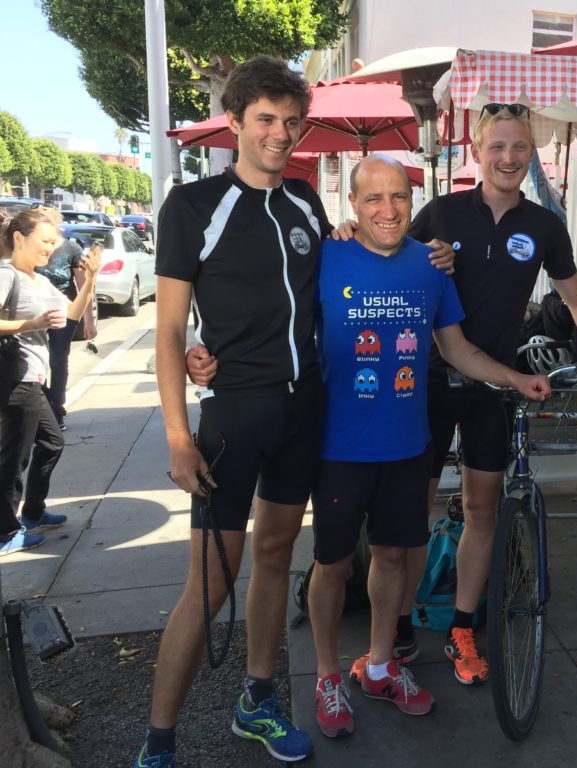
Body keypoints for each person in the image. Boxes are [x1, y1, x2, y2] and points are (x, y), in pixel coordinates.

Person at [342, 102, 577, 688]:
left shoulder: (545, 226)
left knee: (481, 510)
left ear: (532, 153)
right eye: (496, 147)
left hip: (493, 384)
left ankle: (463, 626)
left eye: (519, 147)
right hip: (423, 383)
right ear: (476, 152)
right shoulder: (443, 211)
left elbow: (574, 298)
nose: (508, 158)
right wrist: (350, 232)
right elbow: (385, 253)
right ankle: (398, 624)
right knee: (409, 513)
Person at [307, 154, 550, 738]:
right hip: (338, 446)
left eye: (397, 198)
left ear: (411, 203)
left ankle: (382, 664)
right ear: (352, 207)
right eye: (372, 200)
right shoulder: (325, 256)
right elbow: (279, 322)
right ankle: (325, 677)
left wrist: (515, 378)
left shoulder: (431, 266)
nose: (387, 210)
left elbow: (458, 348)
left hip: (407, 446)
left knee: (394, 557)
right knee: (332, 565)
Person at [134, 57, 331, 767]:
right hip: (233, 418)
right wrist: (179, 435)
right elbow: (167, 330)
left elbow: (339, 277)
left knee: (277, 553)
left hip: (304, 411)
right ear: (236, 123)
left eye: (290, 122)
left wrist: (425, 255)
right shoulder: (192, 207)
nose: (281, 134)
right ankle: (159, 738)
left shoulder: (307, 201)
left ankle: (258, 697)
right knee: (211, 583)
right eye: (266, 121)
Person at [0, 209, 100, 556]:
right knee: (15, 458)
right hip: (15, 380)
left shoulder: (38, 280)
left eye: (53, 243)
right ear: (18, 238)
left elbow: (71, 315)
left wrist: (90, 279)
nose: (50, 249)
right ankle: (5, 532)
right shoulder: (7, 275)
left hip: (32, 380)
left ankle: (32, 512)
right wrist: (31, 324)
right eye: (45, 241)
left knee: (52, 442)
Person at [36, 207, 88, 430]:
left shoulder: (71, 249)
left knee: (58, 360)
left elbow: (84, 286)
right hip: (35, 313)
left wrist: (89, 321)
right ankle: (42, 407)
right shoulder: (32, 250)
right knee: (33, 362)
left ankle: (56, 409)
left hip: (63, 314)